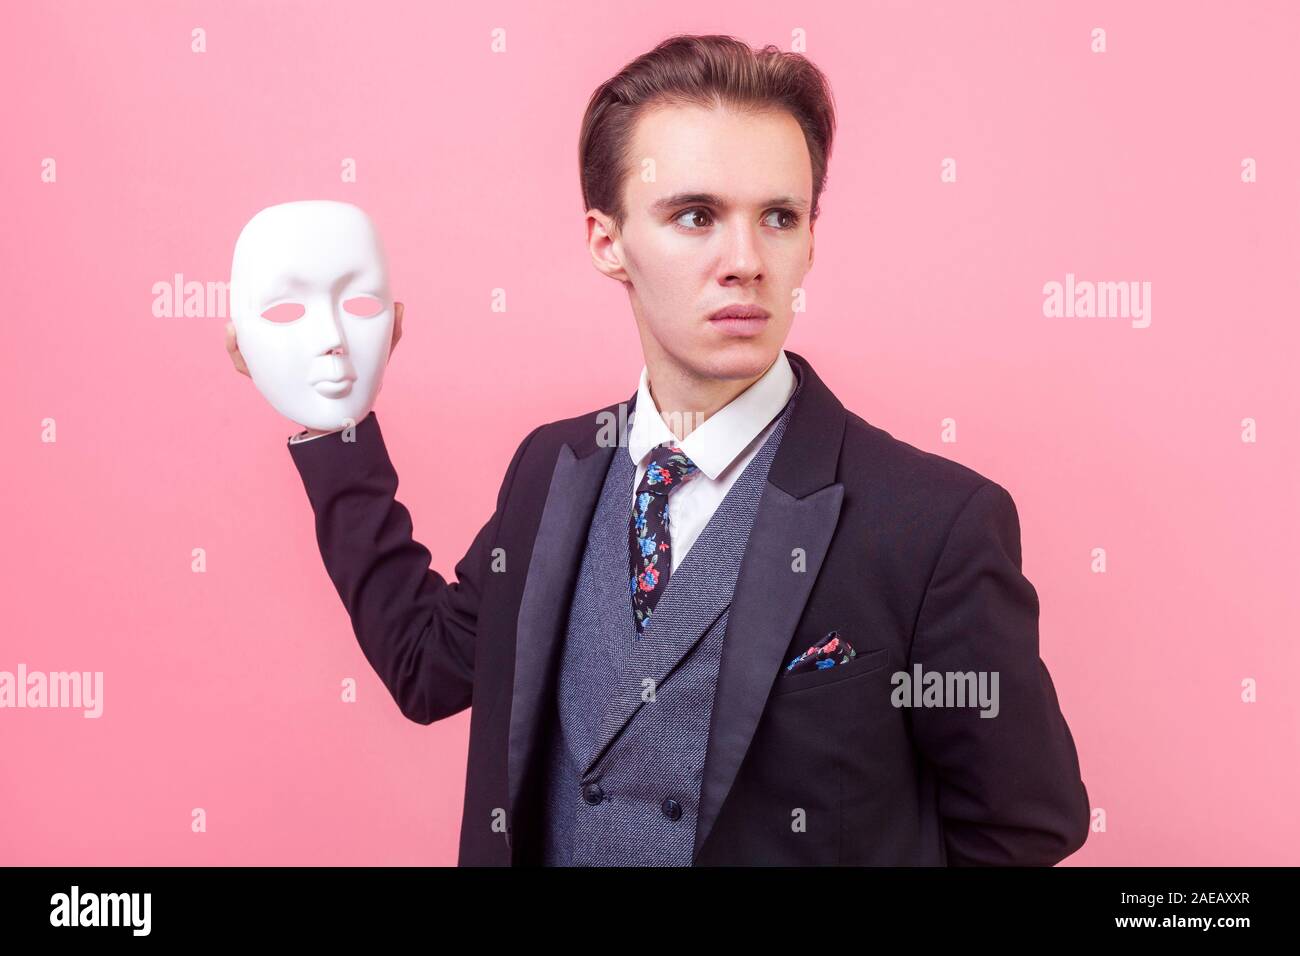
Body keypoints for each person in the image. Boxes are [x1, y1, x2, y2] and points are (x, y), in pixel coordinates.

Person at [226, 33, 1089, 866]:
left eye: (779, 217)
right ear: (608, 243)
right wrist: (331, 422)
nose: (746, 260)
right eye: (695, 215)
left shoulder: (930, 522)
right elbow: (426, 669)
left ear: (811, 241)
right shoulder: (550, 471)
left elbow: (1025, 826)